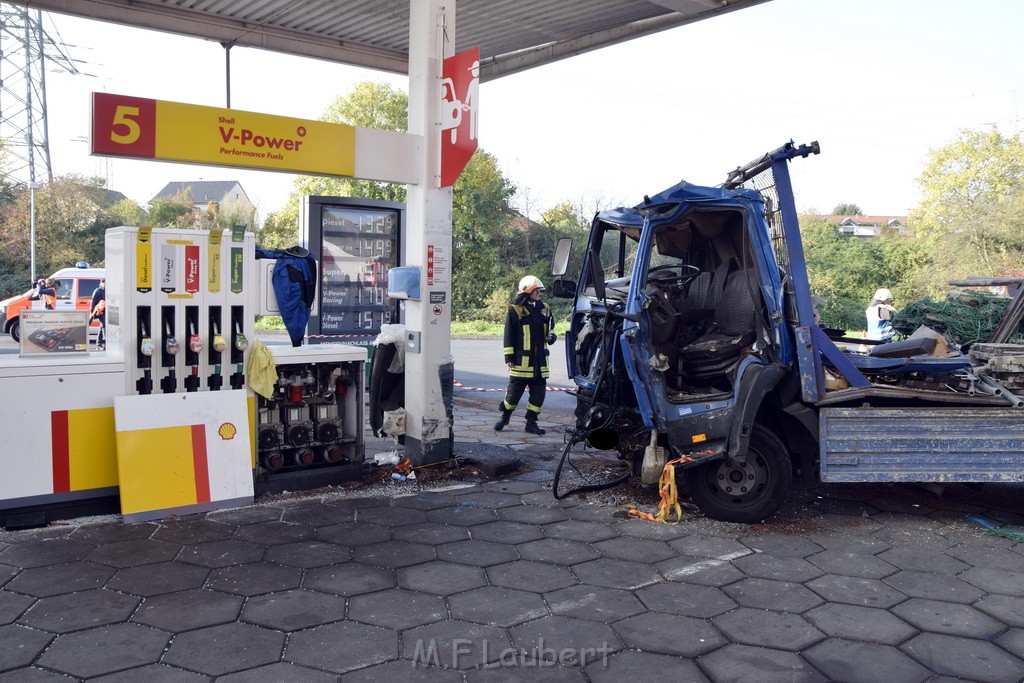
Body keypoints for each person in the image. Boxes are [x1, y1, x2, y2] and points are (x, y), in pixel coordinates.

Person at [495, 275, 557, 435]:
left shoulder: (545, 308)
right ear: (527, 291)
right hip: (521, 362)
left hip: (540, 362)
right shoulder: (515, 310)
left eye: (539, 291)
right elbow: (509, 334)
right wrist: (509, 357)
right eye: (536, 291)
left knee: (538, 396)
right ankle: (505, 417)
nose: (539, 294)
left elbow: (551, 329)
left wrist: (552, 337)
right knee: (513, 394)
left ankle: (531, 423)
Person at [90, 279, 106, 349]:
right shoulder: (98, 291)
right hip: (99, 311)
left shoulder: (106, 290)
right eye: (104, 282)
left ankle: (98, 344)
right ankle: (107, 344)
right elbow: (93, 303)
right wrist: (92, 313)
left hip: (105, 311)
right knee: (105, 327)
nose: (105, 284)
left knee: (102, 327)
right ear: (101, 283)